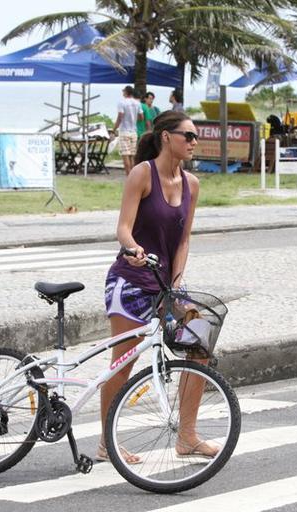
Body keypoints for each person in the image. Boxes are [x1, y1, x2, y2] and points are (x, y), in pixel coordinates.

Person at [98, 110, 219, 464]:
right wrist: (132, 248)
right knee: (123, 364)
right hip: (130, 281)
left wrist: (177, 283)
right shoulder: (142, 174)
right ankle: (107, 443)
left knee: (199, 347)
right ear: (167, 137)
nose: (194, 142)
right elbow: (123, 227)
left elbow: (183, 241)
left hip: (165, 285)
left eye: (196, 137)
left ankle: (187, 437)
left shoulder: (192, 184)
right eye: (188, 136)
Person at [112, 85, 143, 175]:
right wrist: (133, 119)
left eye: (123, 91)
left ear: (126, 92)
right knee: (132, 156)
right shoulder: (137, 103)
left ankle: (129, 177)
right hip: (133, 132)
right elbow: (141, 117)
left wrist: (114, 129)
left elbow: (120, 117)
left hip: (124, 131)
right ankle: (134, 176)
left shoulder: (122, 103)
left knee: (125, 155)